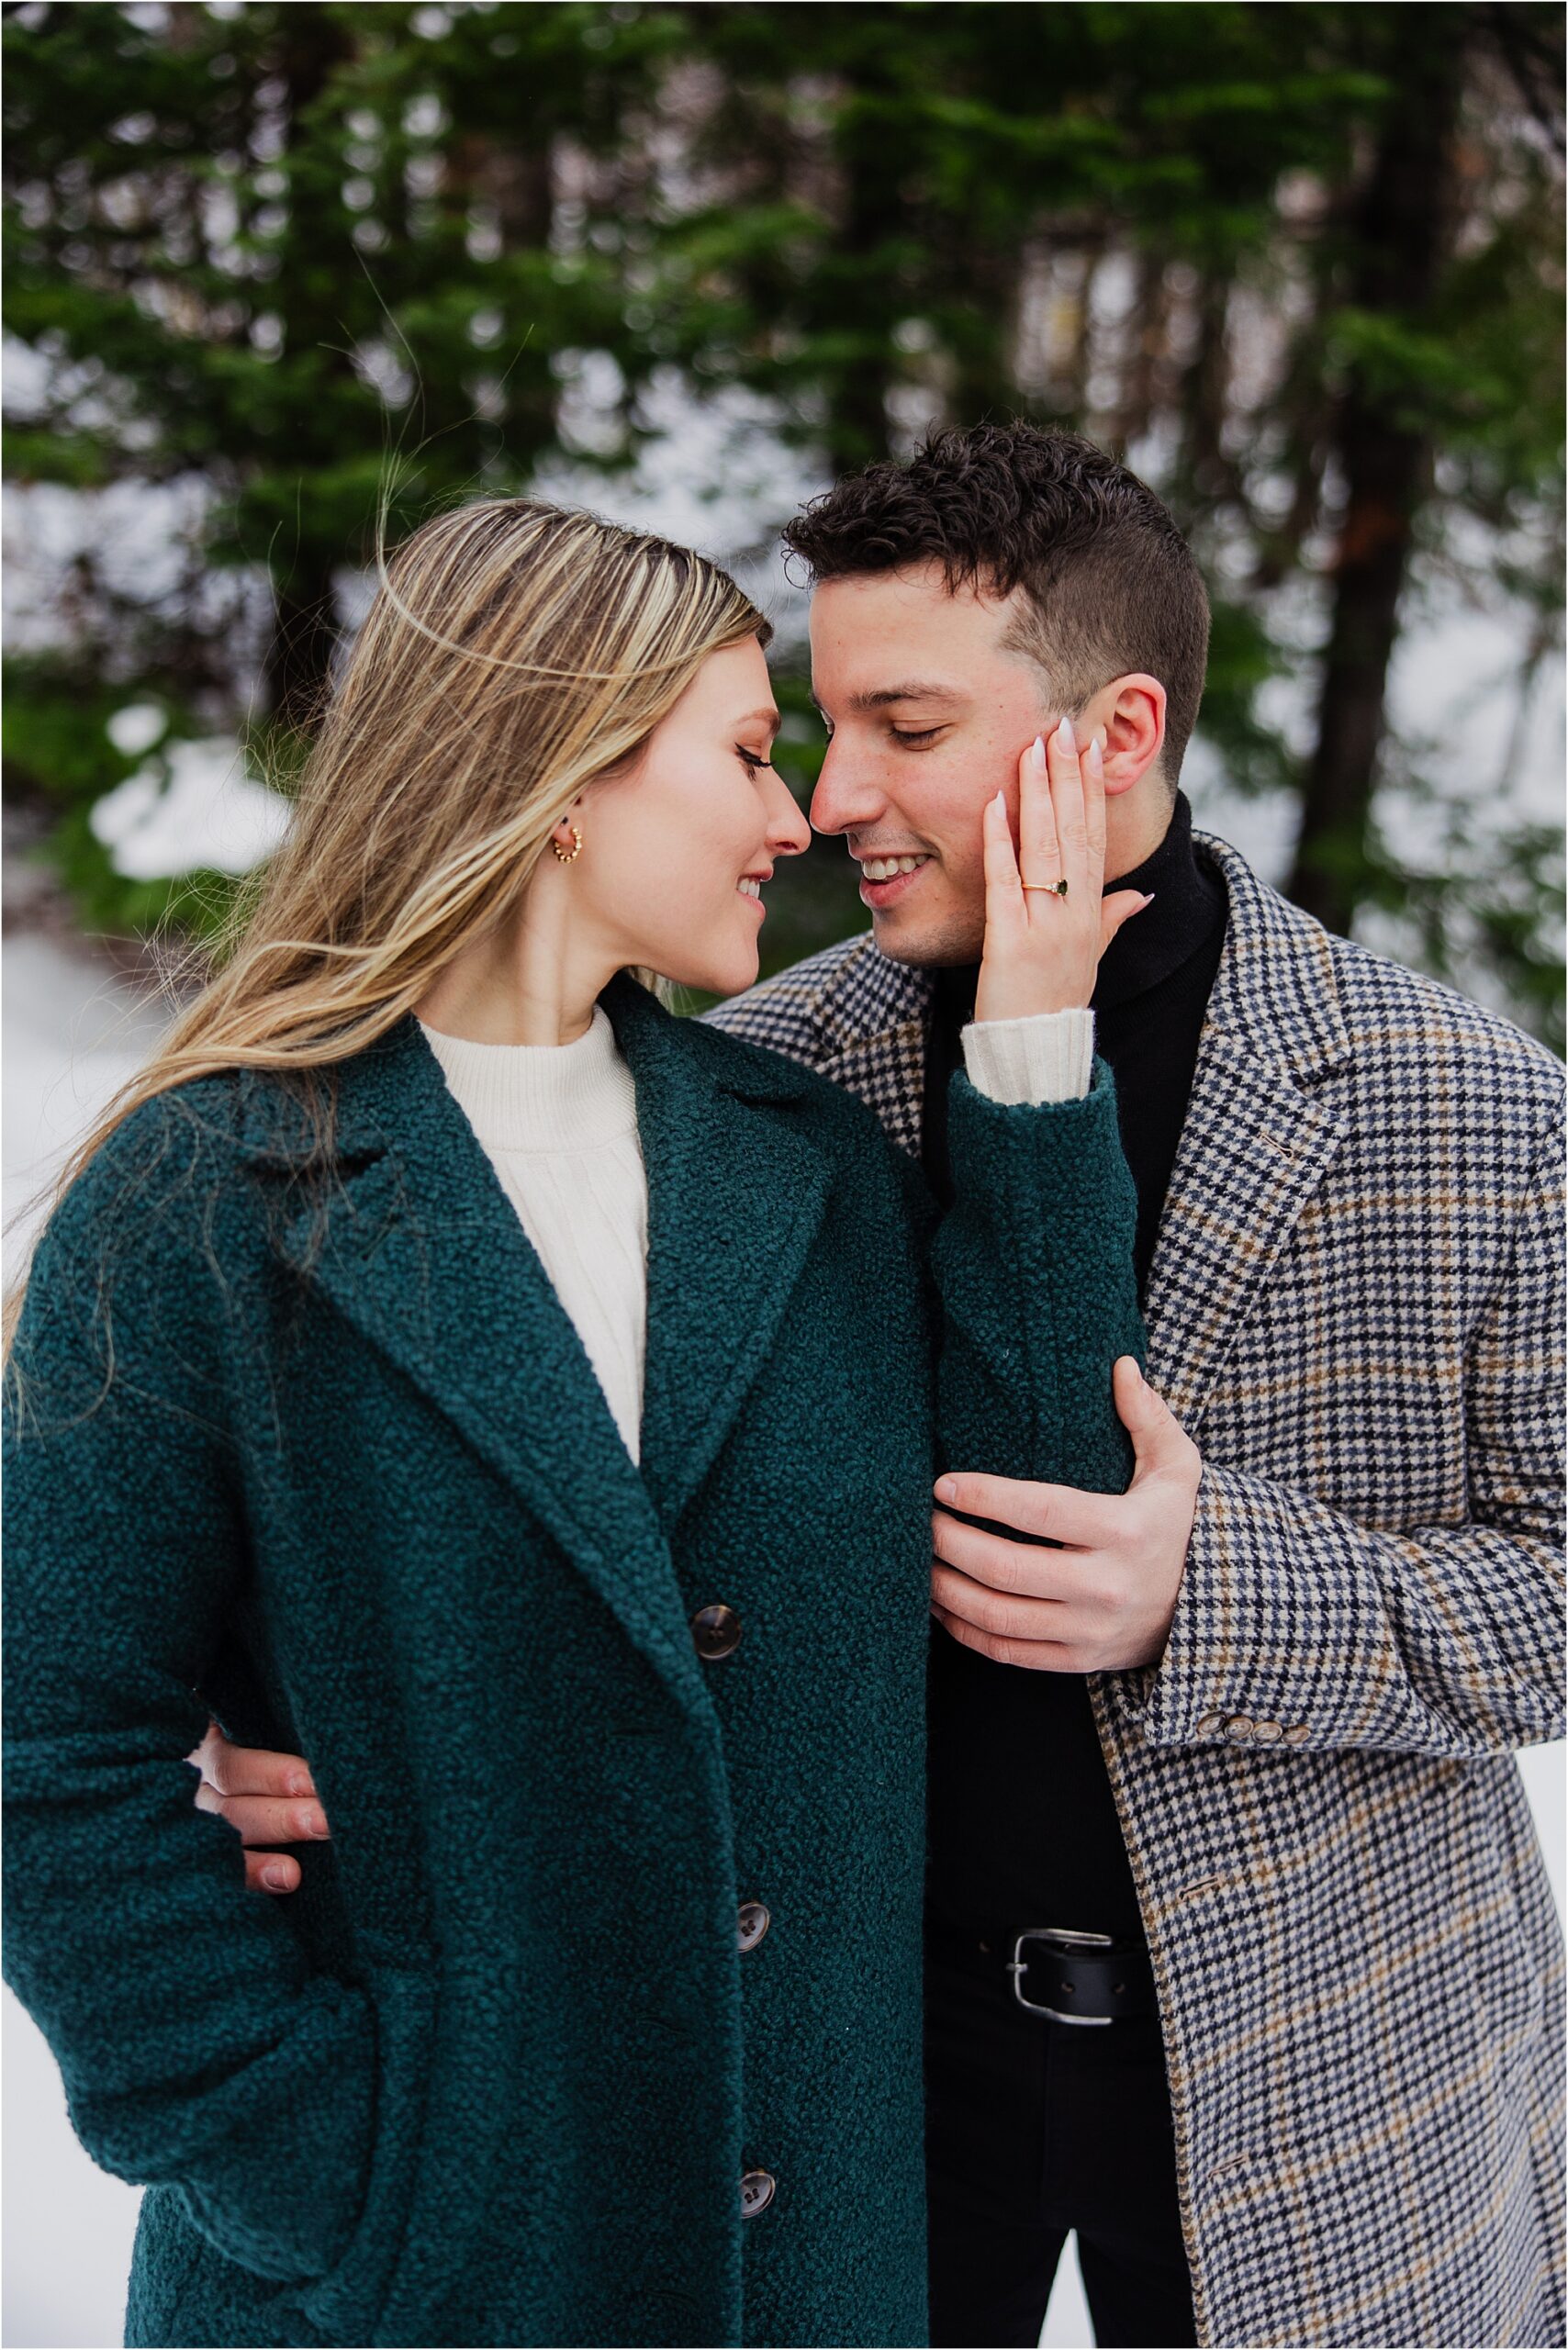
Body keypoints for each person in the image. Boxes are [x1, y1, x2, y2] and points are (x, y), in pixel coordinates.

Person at [194, 426, 1567, 2348]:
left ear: (1113, 729)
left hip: (1326, 2062)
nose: (836, 794)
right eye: (811, 726)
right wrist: (288, 1723)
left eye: (901, 725)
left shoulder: (1472, 1107)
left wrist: (1214, 1589)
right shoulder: (762, 1077)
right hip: (853, 2071)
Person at [3, 497, 1153, 2350]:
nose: (798, 821)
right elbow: (48, 1754)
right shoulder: (208, 1187)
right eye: (751, 752)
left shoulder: (809, 1164)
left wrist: (1028, 1045)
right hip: (402, 2277)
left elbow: (1029, 1515)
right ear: (557, 768)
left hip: (805, 2270)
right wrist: (306, 2160)